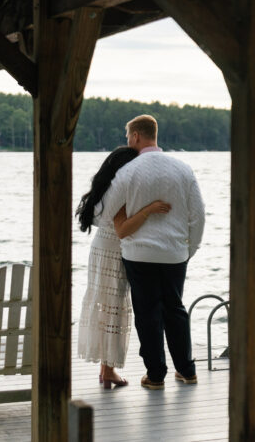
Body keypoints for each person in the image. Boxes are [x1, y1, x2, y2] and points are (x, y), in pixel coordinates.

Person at [109, 114, 205, 389]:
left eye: (129, 137)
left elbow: (107, 208)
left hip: (139, 254)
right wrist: (190, 249)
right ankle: (187, 370)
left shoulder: (127, 171)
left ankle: (155, 375)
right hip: (175, 253)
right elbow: (198, 216)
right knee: (175, 309)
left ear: (136, 136)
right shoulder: (183, 169)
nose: (128, 142)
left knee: (147, 313)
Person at [76, 146, 171, 388]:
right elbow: (123, 228)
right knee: (114, 308)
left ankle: (105, 369)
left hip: (101, 248)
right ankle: (108, 371)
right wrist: (149, 210)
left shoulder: (105, 187)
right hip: (114, 251)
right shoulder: (120, 191)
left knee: (106, 306)